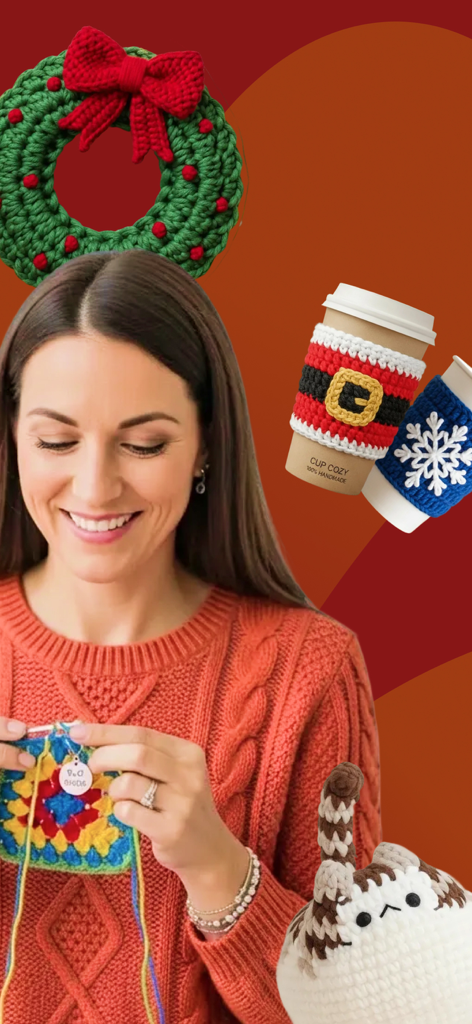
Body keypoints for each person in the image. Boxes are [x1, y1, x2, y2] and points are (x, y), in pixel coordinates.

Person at [0, 250, 381, 1024]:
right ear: (11, 436)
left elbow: (364, 1008)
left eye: (144, 444)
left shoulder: (307, 672)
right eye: (55, 441)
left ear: (207, 445)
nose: (95, 487)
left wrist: (218, 870)